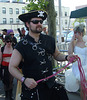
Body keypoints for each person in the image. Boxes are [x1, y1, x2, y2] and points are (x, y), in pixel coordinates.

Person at [9, 10, 78, 100]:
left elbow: (56, 55)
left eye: (41, 22)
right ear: (27, 24)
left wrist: (66, 57)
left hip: (51, 86)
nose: (39, 24)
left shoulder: (49, 40)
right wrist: (24, 80)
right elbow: (12, 67)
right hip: (33, 90)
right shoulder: (21, 45)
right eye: (35, 22)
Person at [65, 23, 87, 100]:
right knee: (82, 87)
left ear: (80, 33)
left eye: (75, 33)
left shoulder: (86, 42)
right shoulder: (74, 42)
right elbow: (70, 53)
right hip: (77, 67)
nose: (74, 34)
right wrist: (71, 41)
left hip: (86, 65)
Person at [0, 35, 14, 100]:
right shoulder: (2, 49)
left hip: (11, 67)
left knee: (11, 81)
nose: (9, 43)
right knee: (5, 81)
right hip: (4, 67)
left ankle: (10, 96)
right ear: (5, 41)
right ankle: (6, 96)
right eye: (8, 41)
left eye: (10, 41)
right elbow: (0, 59)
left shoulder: (14, 48)